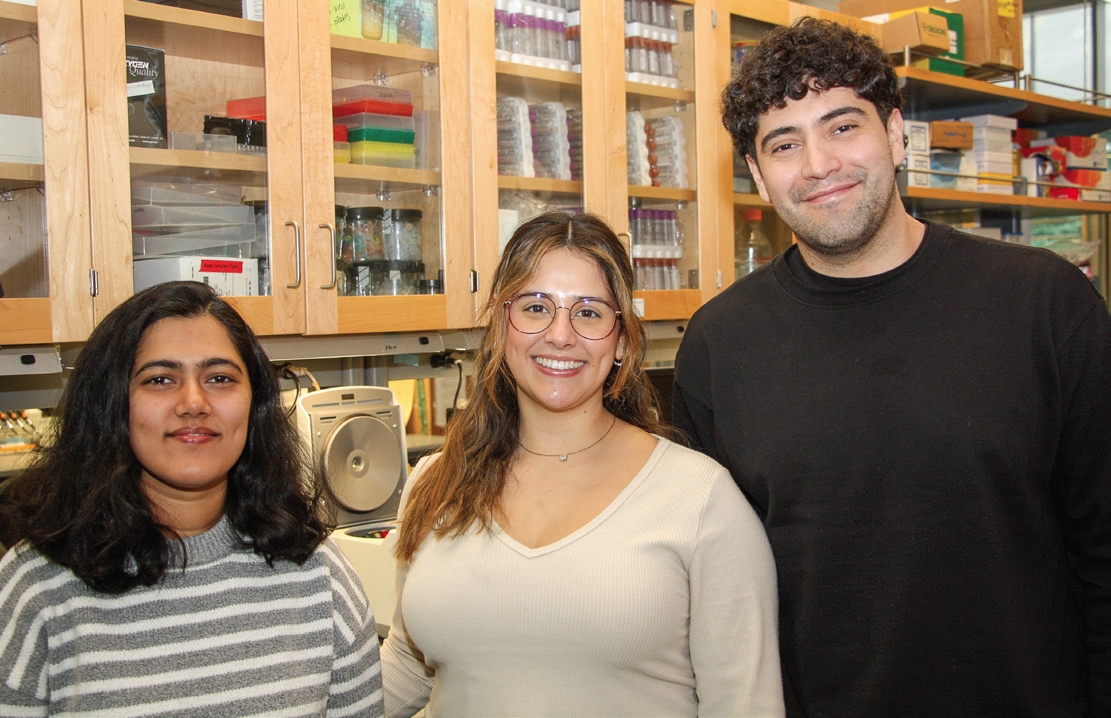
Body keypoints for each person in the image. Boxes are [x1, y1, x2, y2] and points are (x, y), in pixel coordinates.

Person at [673, 16, 1111, 717]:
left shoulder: (1042, 302)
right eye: (784, 144)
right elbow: (712, 593)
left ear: (897, 134)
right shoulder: (719, 344)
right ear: (757, 175)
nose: (817, 165)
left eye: (842, 127)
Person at [380, 211, 783, 717]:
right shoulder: (437, 483)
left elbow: (745, 705)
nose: (560, 335)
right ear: (502, 326)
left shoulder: (701, 501)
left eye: (589, 312)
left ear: (621, 341)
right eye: (535, 307)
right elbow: (406, 661)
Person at [0, 281, 383, 717]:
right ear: (113, 404)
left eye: (219, 378)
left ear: (254, 403)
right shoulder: (37, 590)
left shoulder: (319, 576)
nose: (194, 402)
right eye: (160, 379)